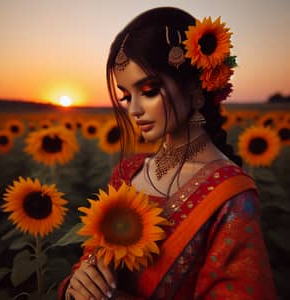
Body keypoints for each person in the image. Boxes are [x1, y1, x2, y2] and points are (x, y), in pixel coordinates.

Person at [59, 7, 277, 300]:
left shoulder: (232, 194)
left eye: (149, 90)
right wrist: (79, 283)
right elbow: (93, 260)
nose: (133, 109)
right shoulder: (128, 172)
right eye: (125, 96)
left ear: (196, 88)